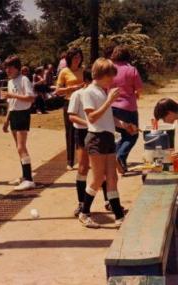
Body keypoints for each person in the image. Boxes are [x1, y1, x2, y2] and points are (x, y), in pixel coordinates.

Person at [80, 58, 134, 228]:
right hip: (96, 138)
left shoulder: (103, 91)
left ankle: (119, 216)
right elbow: (92, 117)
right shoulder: (89, 92)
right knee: (97, 179)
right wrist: (109, 100)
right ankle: (84, 212)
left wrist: (124, 125)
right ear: (101, 75)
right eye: (110, 76)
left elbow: (107, 116)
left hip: (108, 138)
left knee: (112, 177)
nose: (112, 80)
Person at [67, 68, 111, 217]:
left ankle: (108, 200)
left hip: (97, 131)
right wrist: (88, 123)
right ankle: (82, 203)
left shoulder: (100, 93)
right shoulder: (77, 94)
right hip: (83, 132)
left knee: (103, 169)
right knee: (83, 167)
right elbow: (72, 117)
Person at [1, 55, 36, 190]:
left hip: (23, 114)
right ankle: (24, 175)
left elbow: (31, 98)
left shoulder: (24, 79)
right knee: (18, 147)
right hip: (14, 114)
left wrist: (12, 95)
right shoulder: (10, 82)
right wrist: (6, 120)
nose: (7, 70)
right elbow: (11, 104)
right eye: (6, 68)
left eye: (9, 67)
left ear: (16, 68)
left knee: (21, 147)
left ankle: (29, 179)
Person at [110, 46, 143, 173]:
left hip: (112, 106)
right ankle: (120, 156)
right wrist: (135, 94)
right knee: (132, 135)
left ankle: (118, 160)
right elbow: (139, 89)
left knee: (120, 136)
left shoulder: (110, 70)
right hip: (128, 107)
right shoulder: (131, 70)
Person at [56, 47, 85, 170]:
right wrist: (71, 88)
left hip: (83, 103)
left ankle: (83, 159)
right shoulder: (64, 71)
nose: (77, 60)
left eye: (79, 57)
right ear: (70, 58)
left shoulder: (83, 70)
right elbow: (58, 91)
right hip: (69, 102)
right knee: (70, 132)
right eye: (75, 57)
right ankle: (70, 161)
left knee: (83, 130)